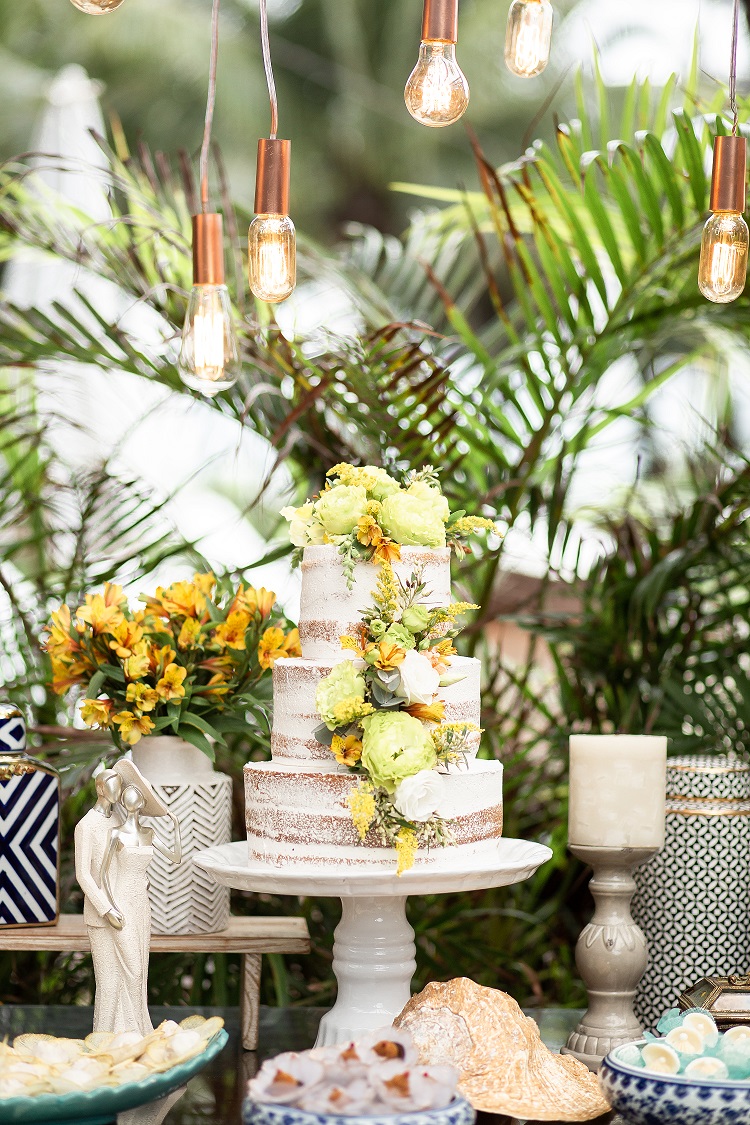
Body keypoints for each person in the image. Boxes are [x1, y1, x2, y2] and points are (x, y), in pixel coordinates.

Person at [84, 759, 181, 1035]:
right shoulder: (95, 827)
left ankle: (134, 1031)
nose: (122, 793)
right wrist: (108, 908)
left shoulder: (130, 825)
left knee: (139, 971)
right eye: (117, 787)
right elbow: (92, 874)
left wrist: (174, 823)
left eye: (125, 788)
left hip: (141, 904)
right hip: (117, 904)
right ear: (101, 789)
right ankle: (111, 1036)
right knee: (123, 974)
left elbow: (174, 857)